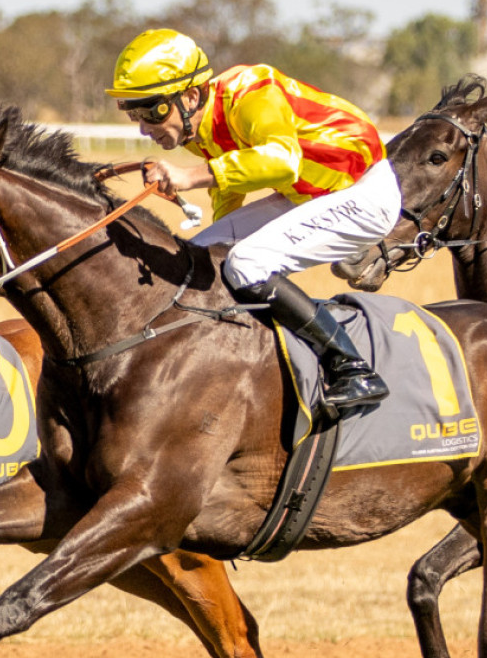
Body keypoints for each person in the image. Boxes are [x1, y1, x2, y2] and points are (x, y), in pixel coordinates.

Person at [107, 28, 396, 414]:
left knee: (247, 263)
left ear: (191, 95)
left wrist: (189, 177)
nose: (144, 126)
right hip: (308, 195)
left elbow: (281, 159)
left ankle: (352, 368)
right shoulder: (195, 126)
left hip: (363, 193)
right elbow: (228, 187)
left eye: (152, 110)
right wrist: (218, 248)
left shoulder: (251, 92)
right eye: (134, 113)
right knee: (197, 254)